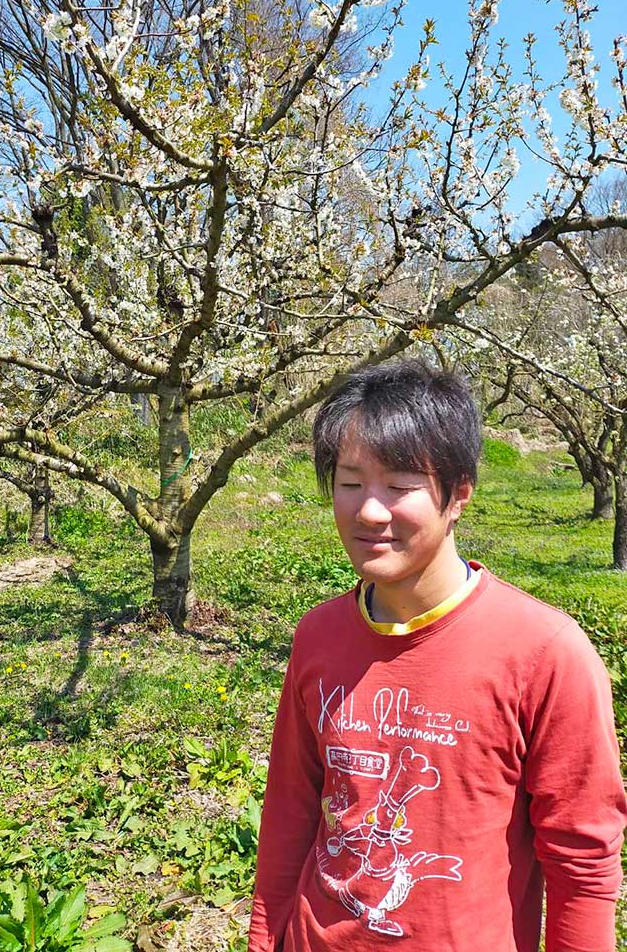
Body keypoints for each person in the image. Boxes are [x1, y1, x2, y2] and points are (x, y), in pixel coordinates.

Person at [248, 359, 626, 952]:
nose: (370, 511)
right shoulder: (318, 635)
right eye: (350, 483)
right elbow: (290, 810)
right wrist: (265, 938)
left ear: (459, 495)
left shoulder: (544, 652)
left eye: (400, 486)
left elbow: (582, 859)